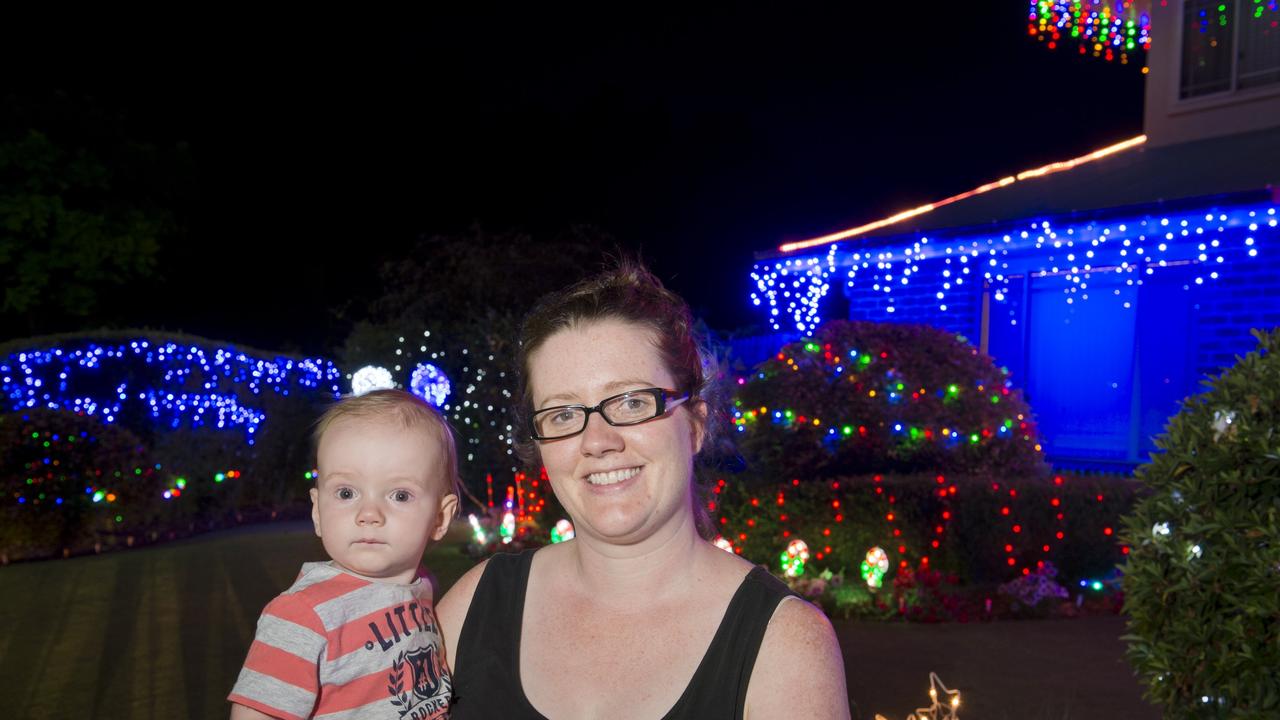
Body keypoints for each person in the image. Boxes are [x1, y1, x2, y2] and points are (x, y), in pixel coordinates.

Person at [438, 262, 850, 719]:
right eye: (562, 415)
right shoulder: (477, 605)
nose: (597, 441)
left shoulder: (784, 644)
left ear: (695, 423)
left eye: (632, 402)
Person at [229, 389, 461, 720]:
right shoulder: (301, 615)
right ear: (318, 512)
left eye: (399, 495)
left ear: (440, 517)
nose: (369, 513)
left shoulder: (421, 587)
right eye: (346, 492)